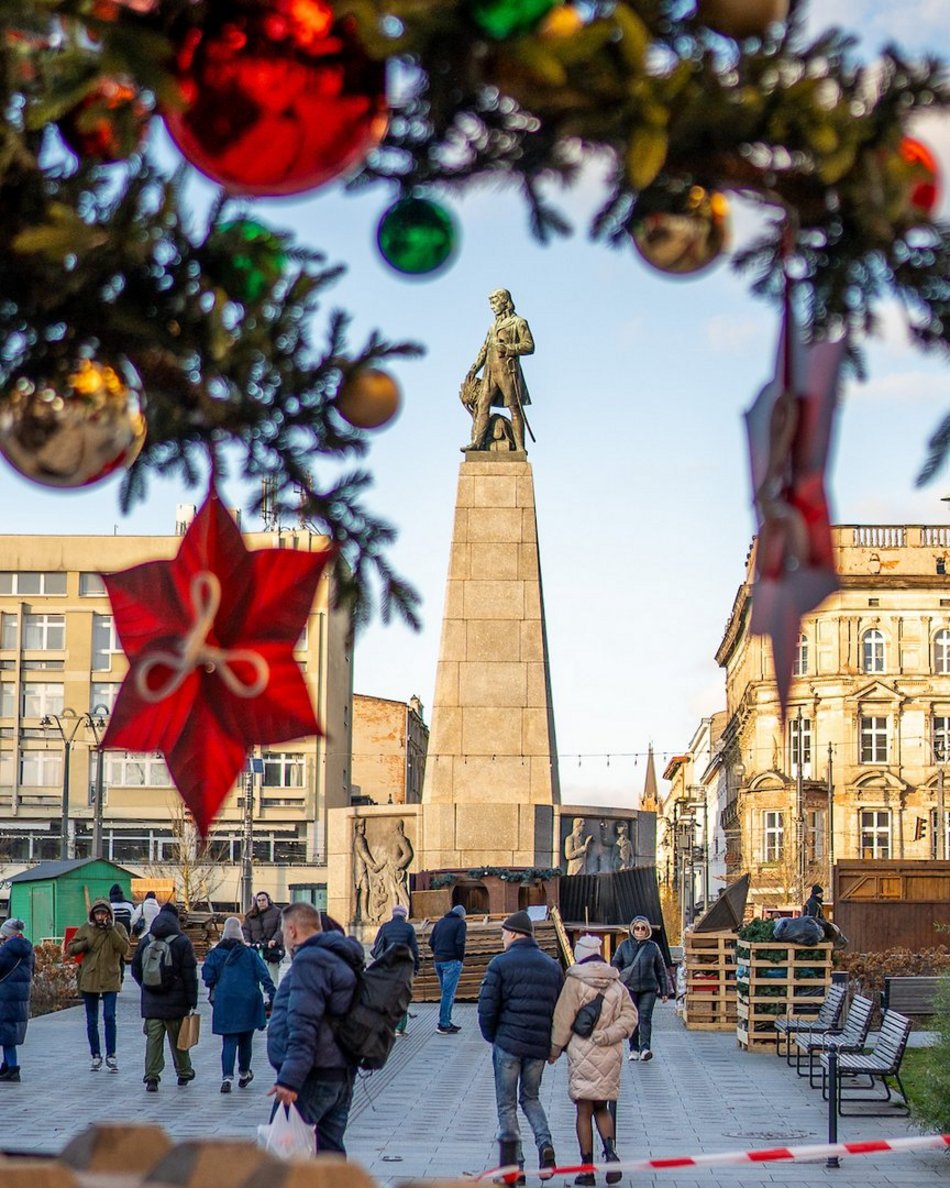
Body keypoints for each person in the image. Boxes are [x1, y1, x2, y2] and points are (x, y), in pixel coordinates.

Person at [267, 902, 364, 1156]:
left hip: (312, 1077)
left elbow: (304, 1024)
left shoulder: (310, 960)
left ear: (292, 930)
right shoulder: (340, 959)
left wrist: (289, 1079)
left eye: (283, 931)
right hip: (340, 1073)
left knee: (283, 1156)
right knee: (329, 1155)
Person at [477, 910, 563, 1181]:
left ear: (514, 933)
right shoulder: (551, 966)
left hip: (508, 1045)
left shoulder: (500, 965)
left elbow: (487, 1008)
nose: (502, 937)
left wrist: (493, 1036)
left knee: (507, 1106)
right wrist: (552, 1045)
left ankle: (516, 1166)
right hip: (537, 1047)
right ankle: (545, 1144)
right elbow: (558, 1009)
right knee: (531, 1097)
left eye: (504, 932)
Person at [550, 934, 637, 1187]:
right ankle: (611, 1155)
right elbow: (631, 1017)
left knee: (583, 1110)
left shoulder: (575, 982)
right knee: (602, 1107)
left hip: (582, 1051)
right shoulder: (616, 983)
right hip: (609, 1053)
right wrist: (610, 1034)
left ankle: (587, 1170)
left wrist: (554, 1050)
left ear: (579, 954)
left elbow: (563, 1019)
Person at [202, 916, 276, 1094]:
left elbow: (207, 976)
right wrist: (273, 995)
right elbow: (263, 974)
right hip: (248, 1000)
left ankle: (227, 1077)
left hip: (225, 1000)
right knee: (245, 1040)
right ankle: (244, 1073)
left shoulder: (215, 953)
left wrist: (218, 984)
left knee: (229, 1040)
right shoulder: (249, 953)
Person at [130, 902, 198, 1092]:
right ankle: (184, 1072)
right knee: (179, 1040)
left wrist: (147, 986)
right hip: (176, 1003)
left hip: (151, 1003)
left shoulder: (146, 940)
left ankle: (152, 1077)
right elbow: (189, 975)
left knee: (153, 1040)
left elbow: (135, 969)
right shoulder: (182, 941)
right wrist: (191, 1001)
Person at [462, 289, 535, 453]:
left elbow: (529, 346)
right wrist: (474, 368)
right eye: (491, 303)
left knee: (514, 408)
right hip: (490, 372)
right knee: (482, 405)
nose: (492, 307)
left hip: (507, 372)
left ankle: (520, 447)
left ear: (504, 301)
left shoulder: (518, 322)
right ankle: (477, 442)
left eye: (495, 303)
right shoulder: (493, 325)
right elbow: (484, 349)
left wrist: (509, 348)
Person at [66, 898, 132, 1071]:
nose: (101, 916)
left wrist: (111, 930)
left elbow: (125, 949)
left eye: (103, 913)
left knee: (109, 1017)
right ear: (93, 915)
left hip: (110, 978)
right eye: (98, 913)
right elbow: (70, 948)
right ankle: (95, 1054)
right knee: (91, 1019)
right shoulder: (87, 928)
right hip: (90, 977)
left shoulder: (118, 928)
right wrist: (86, 942)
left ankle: (111, 1054)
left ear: (109, 914)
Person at [611, 916, 670, 1062]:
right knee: (633, 1019)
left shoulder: (653, 948)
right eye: (637, 928)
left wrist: (664, 991)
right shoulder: (624, 946)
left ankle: (645, 1049)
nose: (640, 931)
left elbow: (661, 970)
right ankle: (633, 1049)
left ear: (647, 930)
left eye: (643, 928)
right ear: (632, 929)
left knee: (645, 1018)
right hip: (630, 987)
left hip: (649, 988)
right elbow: (615, 963)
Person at [371, 904, 419, 1036]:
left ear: (393, 914)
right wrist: (416, 967)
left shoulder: (385, 927)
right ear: (404, 915)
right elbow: (414, 950)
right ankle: (399, 1027)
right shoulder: (408, 928)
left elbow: (377, 946)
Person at [0, 919, 34, 1083]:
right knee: (10, 1030)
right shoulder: (27, 947)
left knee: (6, 1032)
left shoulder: (7, 949)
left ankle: (12, 1068)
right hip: (20, 995)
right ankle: (6, 1065)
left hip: (6, 994)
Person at [429, 903, 466, 1035]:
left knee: (447, 992)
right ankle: (443, 1024)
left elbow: (430, 942)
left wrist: (437, 954)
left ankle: (447, 1021)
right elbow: (460, 943)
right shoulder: (460, 923)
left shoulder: (440, 922)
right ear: (462, 915)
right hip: (451, 961)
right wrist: (460, 959)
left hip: (438, 961)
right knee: (448, 993)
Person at [242, 891, 284, 964]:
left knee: (271, 974)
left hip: (272, 951)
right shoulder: (250, 915)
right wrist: (247, 941)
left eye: (263, 900)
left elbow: (281, 928)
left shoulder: (278, 913)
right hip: (255, 950)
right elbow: (246, 930)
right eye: (259, 900)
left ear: (268, 900)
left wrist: (275, 940)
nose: (261, 902)